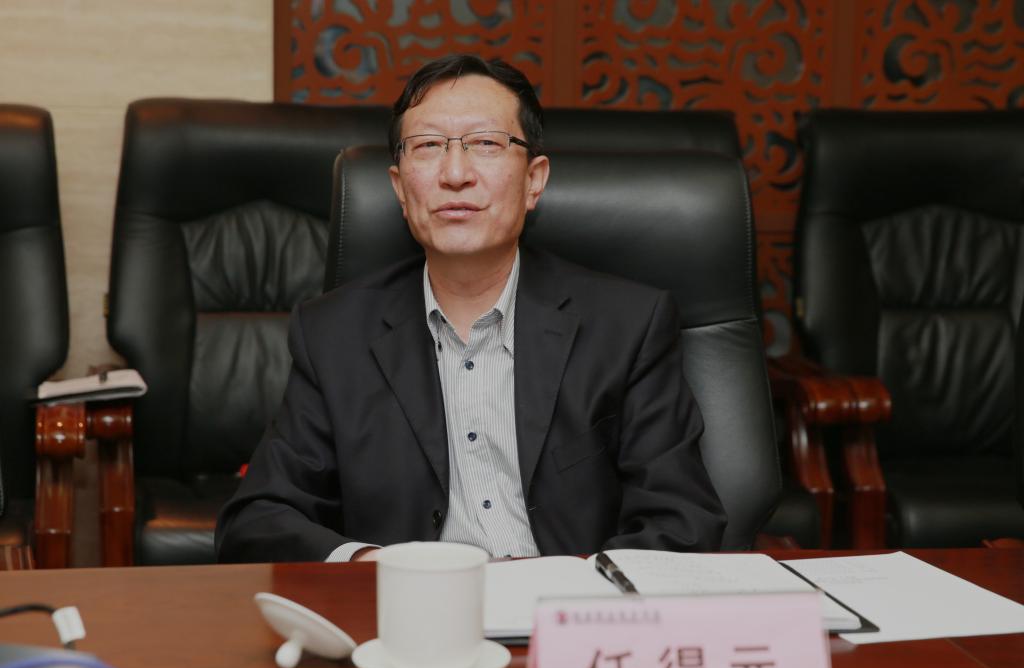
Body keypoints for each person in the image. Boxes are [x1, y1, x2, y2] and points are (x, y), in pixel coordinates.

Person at [215, 54, 726, 563]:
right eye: (428, 146)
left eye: (486, 144)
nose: (455, 174)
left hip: (562, 605)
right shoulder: (334, 334)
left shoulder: (628, 326)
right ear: (399, 187)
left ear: (534, 180)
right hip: (404, 606)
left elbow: (682, 522)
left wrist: (566, 588)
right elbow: (258, 519)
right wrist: (373, 568)